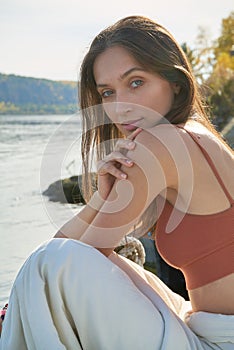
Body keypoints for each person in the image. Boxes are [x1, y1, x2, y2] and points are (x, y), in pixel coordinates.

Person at [1, 15, 233, 350]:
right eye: (108, 92)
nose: (121, 107)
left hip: (220, 340)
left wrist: (97, 201)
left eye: (136, 82)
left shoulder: (161, 144)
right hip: (209, 326)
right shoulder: (198, 136)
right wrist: (103, 196)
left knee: (49, 262)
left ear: (175, 82)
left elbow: (70, 263)